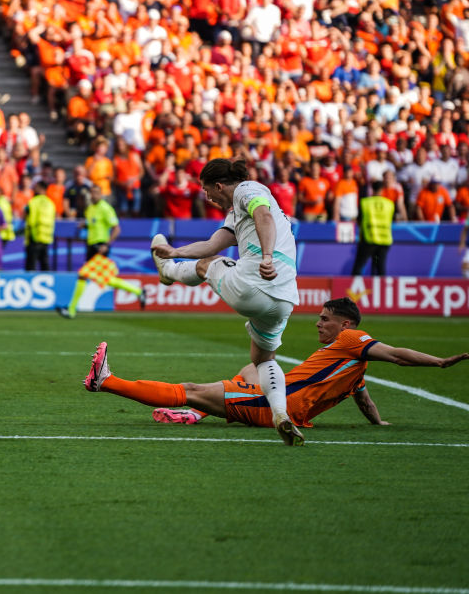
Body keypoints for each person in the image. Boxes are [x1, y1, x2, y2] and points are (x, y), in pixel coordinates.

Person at [83, 298, 469, 435]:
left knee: (193, 390)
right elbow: (364, 400)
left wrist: (439, 363)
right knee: (253, 368)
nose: (318, 324)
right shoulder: (353, 368)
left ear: (346, 325)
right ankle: (199, 413)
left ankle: (107, 381)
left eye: (325, 319)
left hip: (276, 406)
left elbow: (398, 354)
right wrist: (379, 423)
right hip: (282, 400)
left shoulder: (352, 340)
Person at [150, 159, 302, 445]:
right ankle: (280, 414)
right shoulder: (238, 212)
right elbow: (211, 245)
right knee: (263, 359)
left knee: (207, 265)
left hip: (254, 284)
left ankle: (168, 273)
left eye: (207, 191)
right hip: (284, 298)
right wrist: (175, 251)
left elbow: (264, 217)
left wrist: (266, 257)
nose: (209, 198)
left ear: (219, 186)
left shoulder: (247, 190)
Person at [56, 245, 144, 319]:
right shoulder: (96, 250)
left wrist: (103, 245)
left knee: (102, 278)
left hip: (100, 260)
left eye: (103, 247)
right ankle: (138, 291)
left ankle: (71, 309)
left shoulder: (101, 252)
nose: (101, 248)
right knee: (107, 279)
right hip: (97, 258)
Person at [351, 180, 394, 277]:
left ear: (372, 190)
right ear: (382, 190)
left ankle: (354, 286)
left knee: (359, 266)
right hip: (384, 240)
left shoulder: (365, 203)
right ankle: (380, 286)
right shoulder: (389, 204)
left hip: (369, 239)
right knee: (380, 267)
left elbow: (359, 220)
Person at [24, 180, 56, 271]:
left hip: (34, 236)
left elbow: (27, 214)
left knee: (31, 265)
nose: (34, 189)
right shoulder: (50, 203)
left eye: (36, 187)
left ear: (41, 189)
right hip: (46, 238)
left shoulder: (33, 201)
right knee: (44, 264)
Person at [82, 185, 120, 260]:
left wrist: (106, 245)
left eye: (96, 193)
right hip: (90, 244)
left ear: (101, 194)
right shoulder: (90, 208)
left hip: (101, 245)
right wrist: (85, 225)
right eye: (92, 192)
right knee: (89, 267)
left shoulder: (106, 208)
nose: (94, 195)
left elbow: (117, 229)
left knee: (100, 267)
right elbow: (93, 224)